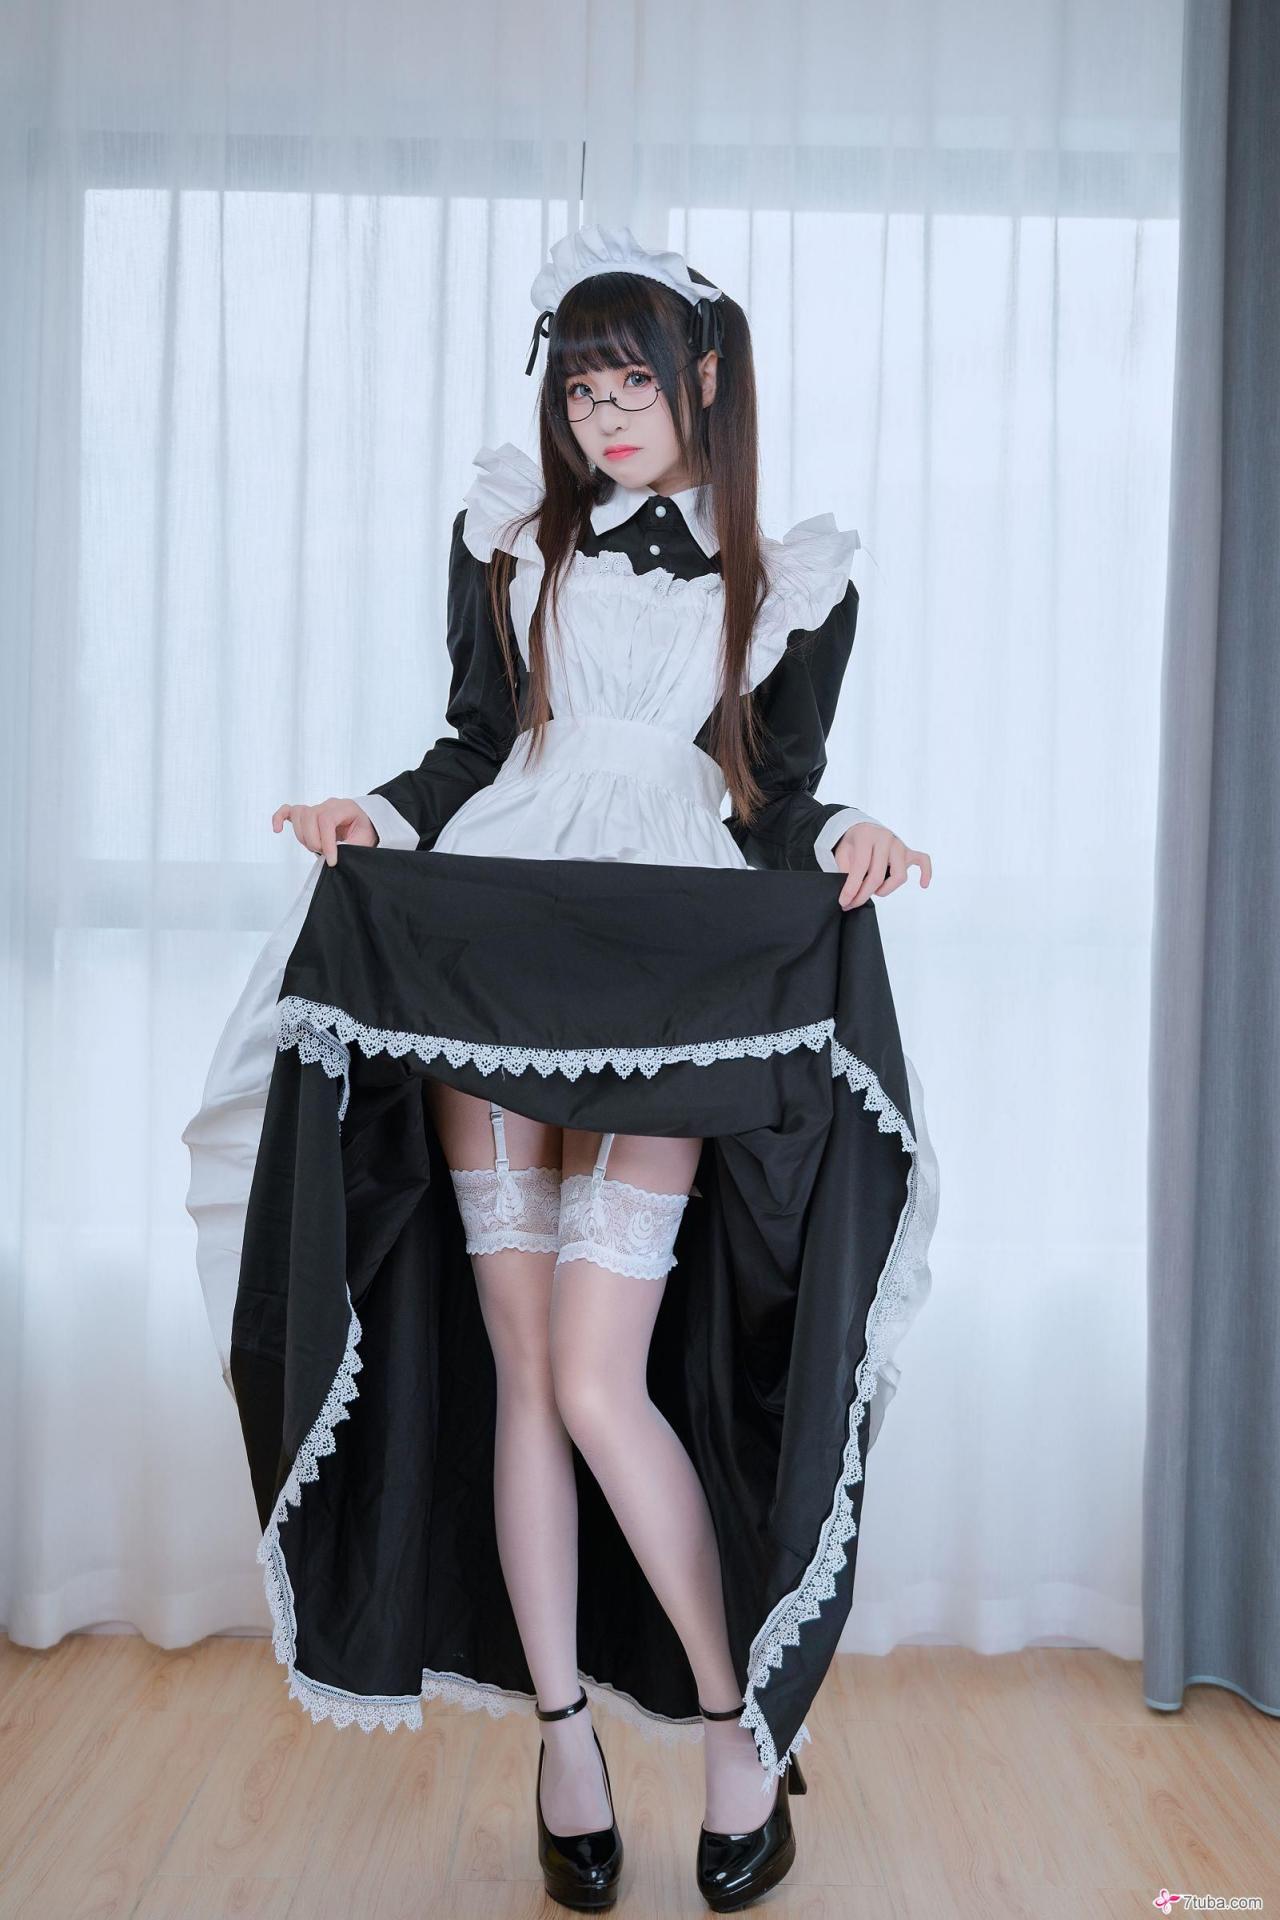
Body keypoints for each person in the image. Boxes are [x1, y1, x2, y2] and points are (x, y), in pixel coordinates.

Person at [184, 223, 940, 1915]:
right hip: (494, 942)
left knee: (603, 1376)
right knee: (528, 1372)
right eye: (581, 391)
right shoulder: (512, 544)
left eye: (631, 386)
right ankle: (564, 1740)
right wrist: (371, 819)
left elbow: (770, 791)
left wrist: (852, 833)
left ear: (704, 382)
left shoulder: (784, 579)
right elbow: (470, 748)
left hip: (667, 965)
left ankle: (738, 1728)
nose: (602, 418)